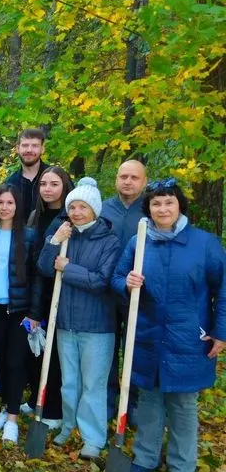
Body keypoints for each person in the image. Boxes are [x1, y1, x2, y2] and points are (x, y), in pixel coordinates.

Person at [112, 178, 226, 472]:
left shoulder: (204, 243)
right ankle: (146, 458)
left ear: (179, 206)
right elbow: (117, 278)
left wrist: (221, 332)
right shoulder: (139, 241)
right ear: (148, 208)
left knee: (183, 404)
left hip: (189, 338)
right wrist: (127, 283)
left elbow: (223, 288)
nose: (162, 209)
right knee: (149, 400)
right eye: (156, 204)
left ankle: (181, 467)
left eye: (169, 203)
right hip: (147, 334)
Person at [38, 177, 121, 459]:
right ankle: (68, 425)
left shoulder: (109, 242)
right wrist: (54, 242)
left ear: (95, 210)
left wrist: (68, 267)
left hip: (97, 326)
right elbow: (44, 268)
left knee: (93, 385)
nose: (76, 212)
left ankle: (93, 438)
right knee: (69, 381)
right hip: (65, 322)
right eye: (72, 207)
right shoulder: (66, 235)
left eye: (82, 207)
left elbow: (101, 281)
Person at [0, 185, 43, 443]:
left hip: (20, 312)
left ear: (18, 206)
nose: (4, 207)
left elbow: (37, 279)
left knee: (15, 361)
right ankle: (7, 405)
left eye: (10, 203)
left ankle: (12, 419)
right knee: (1, 361)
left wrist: (35, 313)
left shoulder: (29, 236)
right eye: (0, 202)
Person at [22, 165, 74, 428]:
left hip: (57, 293)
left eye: (54, 184)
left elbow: (48, 264)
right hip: (35, 291)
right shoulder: (35, 215)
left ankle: (53, 409)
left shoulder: (69, 218)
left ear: (65, 186)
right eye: (43, 184)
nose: (48, 189)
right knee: (35, 350)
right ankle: (35, 398)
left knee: (53, 355)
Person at [100, 159, 148, 420]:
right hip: (105, 292)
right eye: (123, 176)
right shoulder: (103, 209)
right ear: (116, 179)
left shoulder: (152, 210)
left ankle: (134, 404)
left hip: (138, 294)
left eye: (134, 177)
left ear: (144, 182)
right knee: (108, 349)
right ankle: (108, 401)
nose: (128, 182)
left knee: (136, 348)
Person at [6, 128, 50, 214]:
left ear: (42, 149)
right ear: (17, 149)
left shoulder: (58, 179)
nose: (29, 150)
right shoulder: (10, 183)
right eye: (25, 145)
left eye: (35, 146)